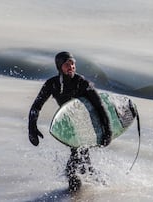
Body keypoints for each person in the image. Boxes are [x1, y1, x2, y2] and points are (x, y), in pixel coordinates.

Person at [28, 51, 112, 191]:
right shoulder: (52, 84)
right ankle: (100, 188)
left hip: (87, 125)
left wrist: (107, 130)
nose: (71, 67)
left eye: (72, 64)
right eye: (67, 64)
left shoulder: (82, 83)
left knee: (73, 166)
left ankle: (83, 189)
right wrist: (32, 128)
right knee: (82, 163)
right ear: (59, 67)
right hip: (71, 127)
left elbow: (100, 106)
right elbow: (36, 106)